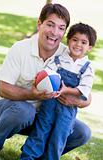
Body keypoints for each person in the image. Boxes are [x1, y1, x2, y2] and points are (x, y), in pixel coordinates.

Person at [0, 2, 91, 156]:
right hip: (12, 112)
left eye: (61, 28)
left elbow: (87, 98)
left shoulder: (68, 55)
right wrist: (32, 95)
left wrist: (73, 100)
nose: (54, 32)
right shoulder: (20, 48)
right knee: (24, 111)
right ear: (39, 24)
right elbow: (4, 89)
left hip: (44, 117)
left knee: (82, 132)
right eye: (50, 25)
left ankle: (41, 155)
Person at [20, 22, 97, 160]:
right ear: (68, 41)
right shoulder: (58, 60)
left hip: (67, 111)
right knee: (41, 130)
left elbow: (85, 89)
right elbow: (46, 74)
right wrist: (40, 81)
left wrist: (67, 90)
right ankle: (28, 156)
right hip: (49, 104)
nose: (78, 44)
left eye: (84, 42)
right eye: (75, 40)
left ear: (89, 47)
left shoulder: (87, 67)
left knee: (59, 136)